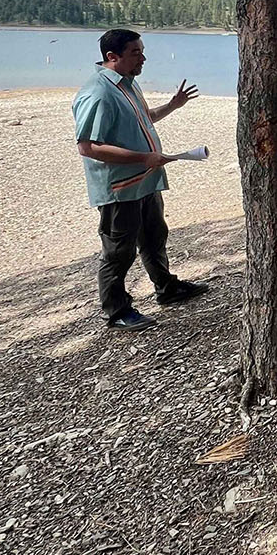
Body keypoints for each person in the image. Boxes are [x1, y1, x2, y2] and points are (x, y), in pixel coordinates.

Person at [72, 30, 208, 330]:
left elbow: (145, 117)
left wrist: (173, 105)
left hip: (146, 181)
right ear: (112, 56)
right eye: (136, 52)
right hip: (120, 189)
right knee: (119, 251)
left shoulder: (128, 84)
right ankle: (116, 311)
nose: (143, 58)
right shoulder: (98, 93)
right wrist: (143, 157)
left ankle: (166, 287)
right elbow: (88, 147)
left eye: (142, 51)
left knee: (154, 237)